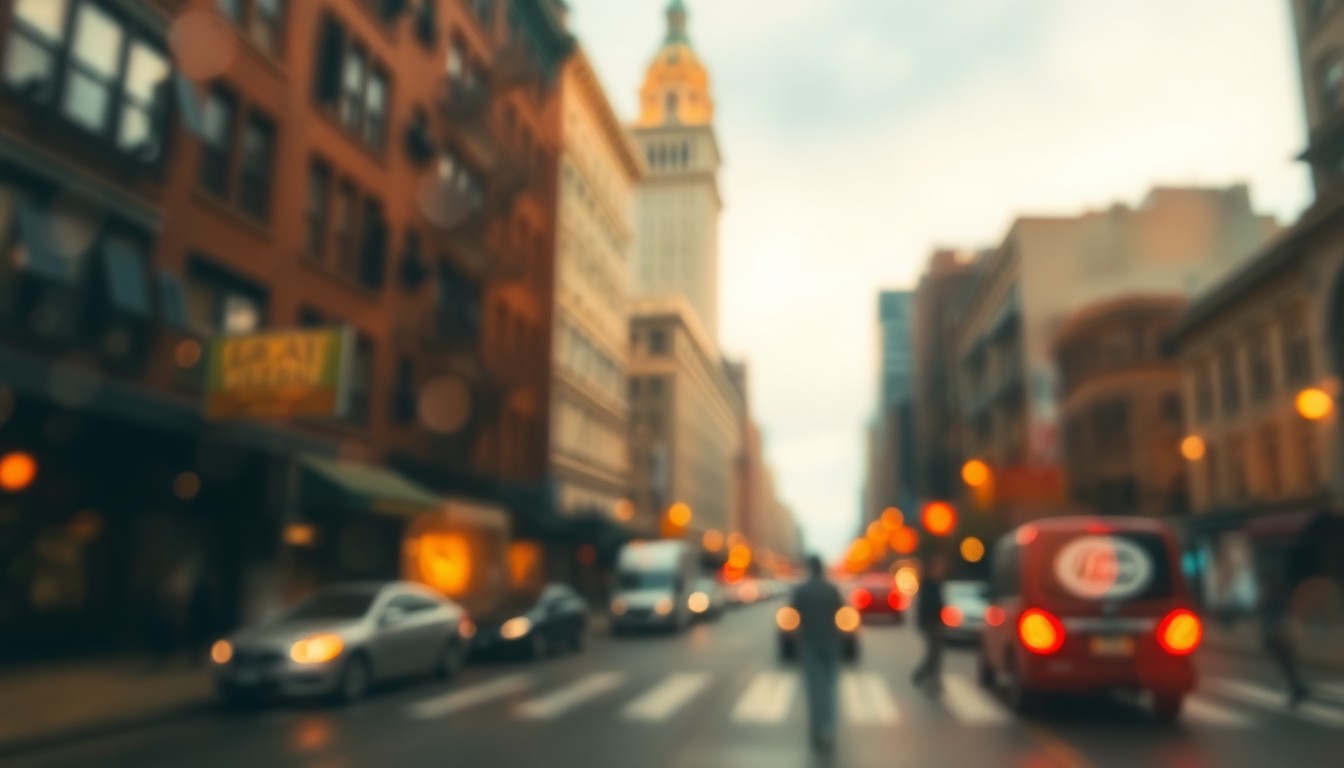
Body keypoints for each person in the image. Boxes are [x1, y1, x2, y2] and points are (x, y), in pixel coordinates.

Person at [790, 554, 844, 753]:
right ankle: (828, 729)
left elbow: (793, 614)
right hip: (830, 641)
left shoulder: (801, 590)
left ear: (809, 568)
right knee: (829, 688)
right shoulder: (831, 589)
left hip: (809, 643)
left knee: (814, 689)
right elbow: (841, 610)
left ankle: (816, 728)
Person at [1258, 570, 1309, 707]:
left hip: (1278, 634)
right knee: (1288, 663)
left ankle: (1298, 689)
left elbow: (1270, 615)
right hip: (1281, 633)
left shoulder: (1272, 595)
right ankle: (1298, 688)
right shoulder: (1278, 594)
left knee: (1287, 663)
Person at [912, 552, 948, 694]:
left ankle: (922, 675)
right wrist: (924, 623)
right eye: (939, 566)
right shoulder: (928, 584)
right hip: (930, 623)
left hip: (937, 622)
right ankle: (930, 678)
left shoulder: (937, 583)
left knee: (935, 652)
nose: (941, 569)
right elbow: (924, 606)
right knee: (934, 652)